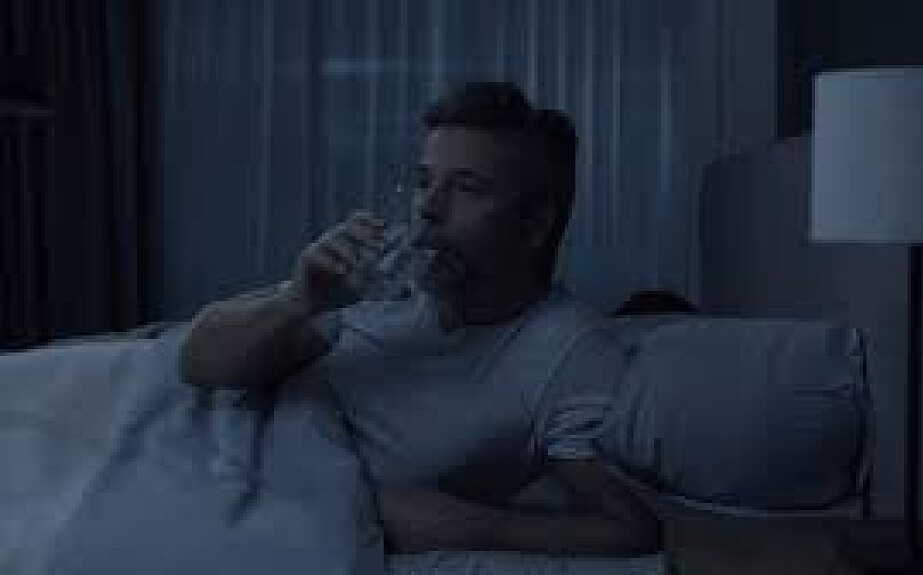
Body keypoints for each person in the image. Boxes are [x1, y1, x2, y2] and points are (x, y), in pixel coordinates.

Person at [177, 82, 660, 556]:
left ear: (534, 224)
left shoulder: (567, 353)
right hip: (190, 444)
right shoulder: (379, 281)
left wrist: (475, 527)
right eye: (426, 181)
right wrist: (298, 300)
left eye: (466, 188)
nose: (428, 208)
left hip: (260, 503)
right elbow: (198, 362)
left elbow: (630, 527)